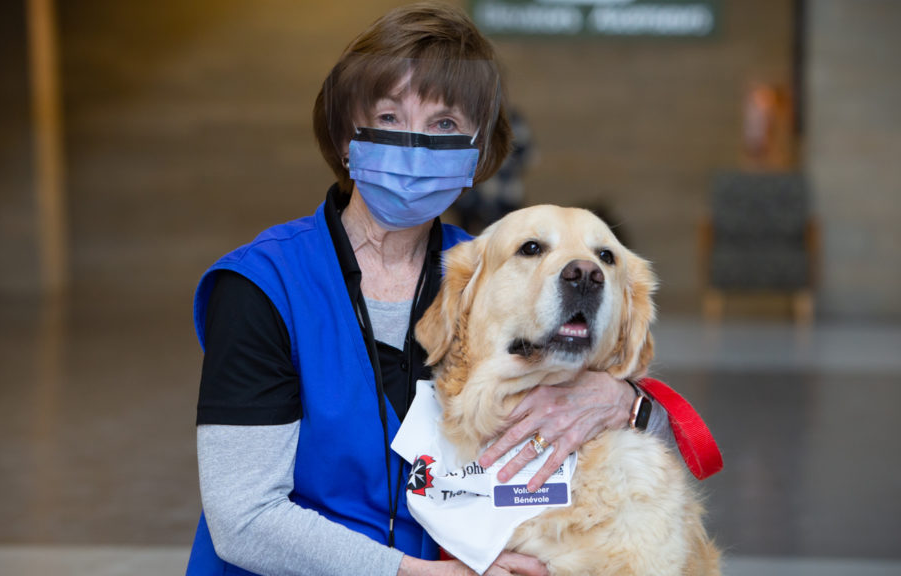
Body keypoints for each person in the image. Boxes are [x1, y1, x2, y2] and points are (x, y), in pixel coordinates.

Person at [187, 3, 721, 576]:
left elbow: (647, 442)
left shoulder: (494, 271)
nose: (415, 147)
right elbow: (242, 518)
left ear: (477, 153)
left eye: (444, 125)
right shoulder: (264, 287)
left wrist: (623, 401)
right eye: (389, 117)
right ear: (347, 137)